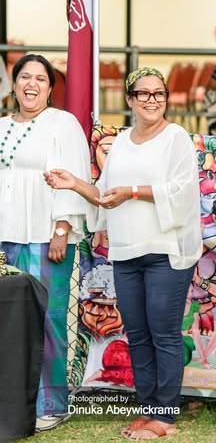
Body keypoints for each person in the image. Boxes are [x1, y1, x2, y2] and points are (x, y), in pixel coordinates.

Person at [45, 66, 202, 441]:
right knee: (138, 333)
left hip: (166, 250)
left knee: (163, 333)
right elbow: (105, 194)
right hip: (128, 251)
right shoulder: (123, 141)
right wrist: (76, 183)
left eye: (159, 94)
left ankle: (164, 417)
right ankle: (148, 410)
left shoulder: (176, 138)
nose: (153, 100)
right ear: (130, 99)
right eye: (144, 94)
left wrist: (134, 191)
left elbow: (182, 192)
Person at [0, 54, 90, 432]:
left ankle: (53, 403)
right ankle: (13, 401)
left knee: (48, 319)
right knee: (10, 321)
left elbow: (74, 174)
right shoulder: (2, 124)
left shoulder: (61, 123)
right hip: (7, 236)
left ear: (51, 88)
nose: (31, 83)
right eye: (25, 77)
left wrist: (63, 228)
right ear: (14, 83)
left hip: (46, 235)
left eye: (40, 78)